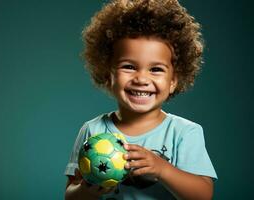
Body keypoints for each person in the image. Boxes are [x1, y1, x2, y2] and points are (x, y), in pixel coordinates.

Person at [65, 0, 217, 199]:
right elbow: (70, 195)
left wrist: (162, 169)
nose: (142, 79)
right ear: (107, 73)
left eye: (156, 69)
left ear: (173, 81)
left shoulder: (184, 133)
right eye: (128, 66)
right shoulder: (92, 130)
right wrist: (87, 190)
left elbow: (203, 195)